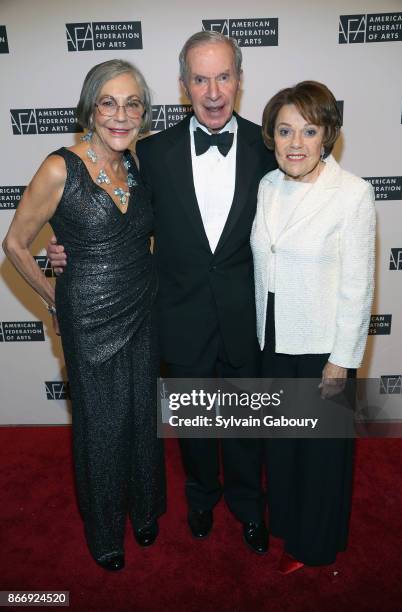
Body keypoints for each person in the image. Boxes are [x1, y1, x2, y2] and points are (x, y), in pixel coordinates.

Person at [48, 31, 277, 553]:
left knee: (245, 424)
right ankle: (202, 499)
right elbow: (104, 210)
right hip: (178, 314)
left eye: (223, 77)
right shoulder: (148, 153)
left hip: (246, 313)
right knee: (194, 425)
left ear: (239, 81)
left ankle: (247, 506)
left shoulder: (270, 147)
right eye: (200, 78)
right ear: (182, 85)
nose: (213, 91)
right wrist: (64, 251)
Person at [3, 59, 166, 571]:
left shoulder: (136, 163)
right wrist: (54, 299)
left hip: (142, 306)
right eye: (108, 102)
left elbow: (143, 237)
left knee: (142, 414)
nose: (121, 115)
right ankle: (104, 532)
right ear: (90, 109)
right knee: (100, 425)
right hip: (89, 315)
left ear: (143, 112)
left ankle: (143, 508)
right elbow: (14, 243)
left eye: (132, 103)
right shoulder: (60, 167)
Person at [250, 80, 376, 572]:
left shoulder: (352, 194)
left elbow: (358, 285)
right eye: (284, 131)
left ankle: (316, 545)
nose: (295, 143)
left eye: (308, 130)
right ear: (272, 137)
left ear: (328, 135)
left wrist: (342, 360)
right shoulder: (267, 186)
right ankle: (285, 523)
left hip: (323, 345)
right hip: (275, 337)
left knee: (321, 454)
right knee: (283, 447)